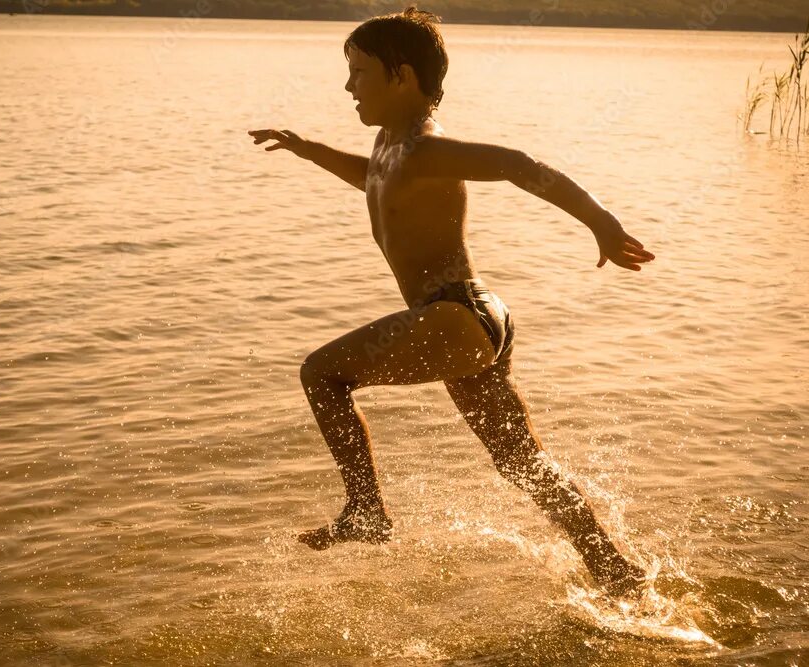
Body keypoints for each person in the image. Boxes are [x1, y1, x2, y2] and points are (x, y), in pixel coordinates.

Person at [247, 5, 655, 595]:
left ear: (402, 76)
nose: (347, 86)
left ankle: (367, 511)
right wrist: (312, 151)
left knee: (322, 373)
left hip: (453, 315)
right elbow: (374, 178)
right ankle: (616, 570)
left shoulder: (424, 151)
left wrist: (602, 223)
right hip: (470, 318)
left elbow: (517, 165)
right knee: (520, 463)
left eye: (358, 72)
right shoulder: (394, 148)